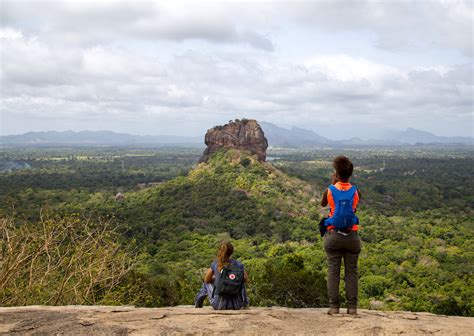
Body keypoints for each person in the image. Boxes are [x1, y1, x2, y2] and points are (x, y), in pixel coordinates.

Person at [320, 155, 362, 315]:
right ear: (350, 174)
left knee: (333, 271)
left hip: (333, 236)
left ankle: (334, 307)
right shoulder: (356, 191)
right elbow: (355, 206)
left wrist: (333, 183)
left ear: (336, 173)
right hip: (352, 236)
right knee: (351, 271)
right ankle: (352, 308)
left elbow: (323, 203)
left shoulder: (329, 190)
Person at [194, 241, 249, 310]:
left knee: (206, 283)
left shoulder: (216, 264)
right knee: (240, 280)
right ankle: (245, 303)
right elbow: (246, 279)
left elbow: (206, 280)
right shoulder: (239, 265)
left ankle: (198, 303)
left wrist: (216, 278)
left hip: (219, 305)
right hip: (236, 305)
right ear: (231, 252)